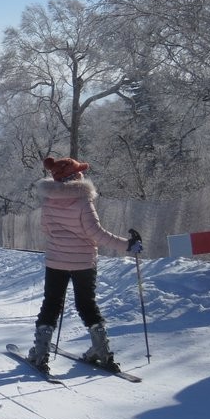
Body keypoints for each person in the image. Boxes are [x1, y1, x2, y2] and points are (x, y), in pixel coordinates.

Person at [25, 155, 143, 372]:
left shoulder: (48, 201)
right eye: (79, 172)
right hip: (84, 263)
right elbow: (96, 233)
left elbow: (46, 229)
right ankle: (102, 351)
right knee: (87, 304)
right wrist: (127, 245)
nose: (82, 174)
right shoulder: (83, 201)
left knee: (51, 304)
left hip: (56, 261)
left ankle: (40, 353)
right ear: (74, 176)